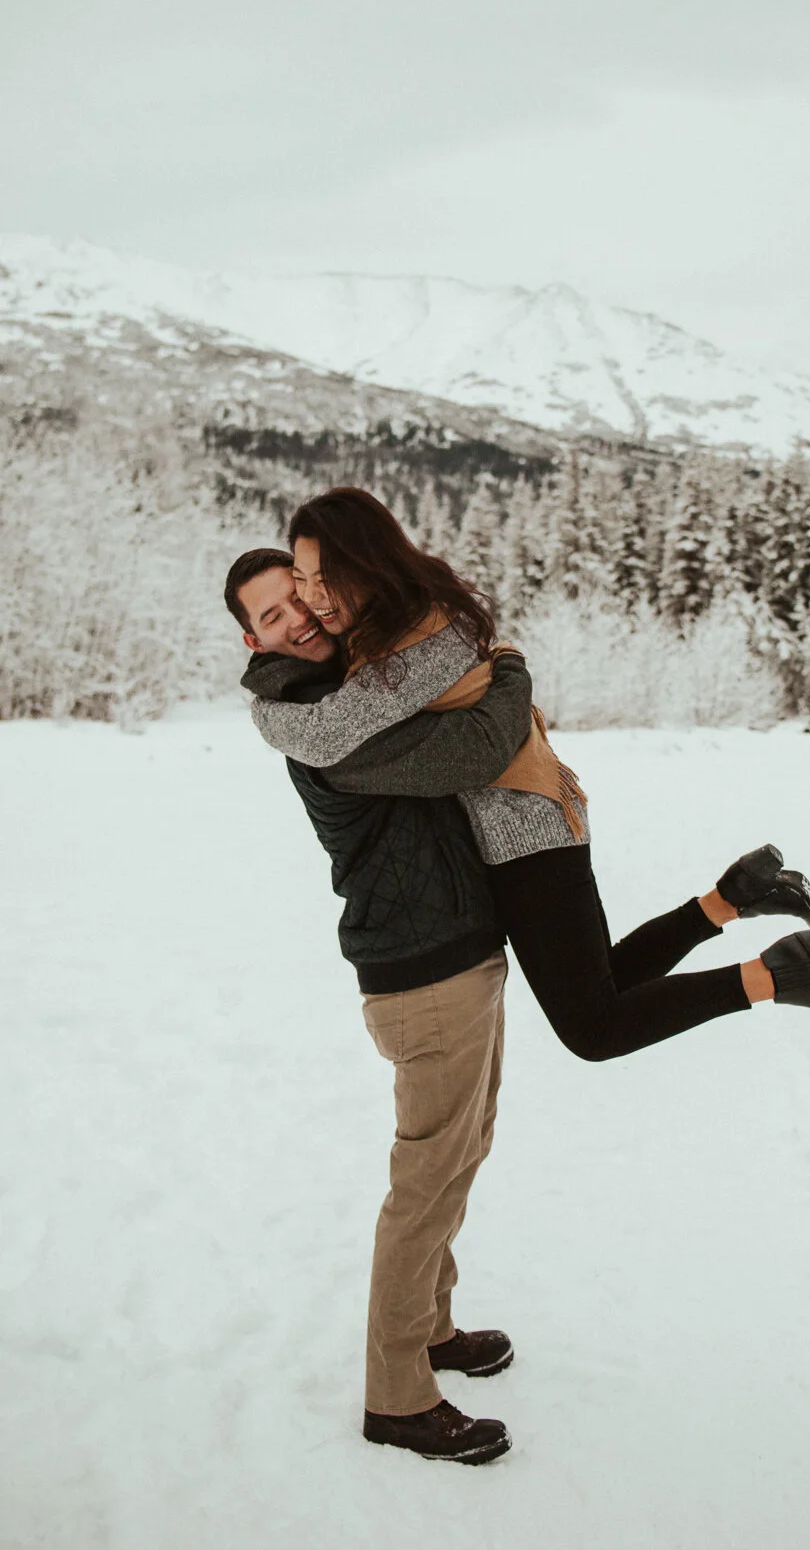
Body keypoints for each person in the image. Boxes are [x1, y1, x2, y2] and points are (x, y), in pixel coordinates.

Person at [248, 489, 810, 1063]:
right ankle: (734, 897)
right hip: (530, 813)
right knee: (604, 982)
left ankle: (779, 975)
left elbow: (327, 734)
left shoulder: (413, 644)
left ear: (367, 563)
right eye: (302, 579)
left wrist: (263, 711)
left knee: (593, 1030)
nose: (313, 597)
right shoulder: (392, 623)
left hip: (521, 827)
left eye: (326, 578)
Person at [225, 547, 535, 1465]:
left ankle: (431, 1326)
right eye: (272, 615)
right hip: (420, 968)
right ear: (252, 640)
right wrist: (509, 668)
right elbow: (478, 747)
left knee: (459, 1153)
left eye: (300, 598)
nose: (297, 619)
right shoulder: (319, 723)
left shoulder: (355, 684)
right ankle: (397, 1397)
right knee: (424, 1180)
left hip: (456, 949)